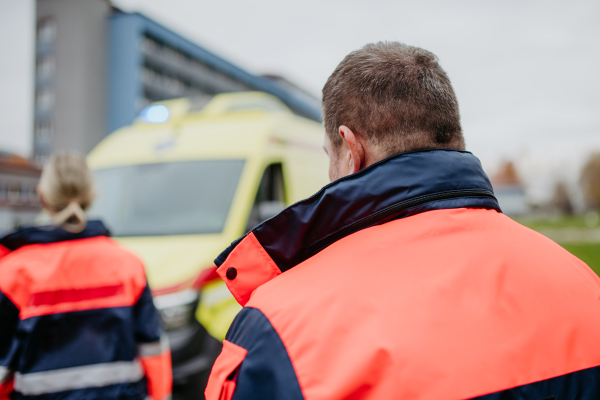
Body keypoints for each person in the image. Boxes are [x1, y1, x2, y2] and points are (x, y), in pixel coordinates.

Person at [205, 42, 600, 400]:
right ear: (451, 138)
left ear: (350, 149)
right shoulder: (583, 284)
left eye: (330, 153)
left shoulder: (277, 330)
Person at [0, 152, 172, 400]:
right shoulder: (128, 266)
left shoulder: (13, 273)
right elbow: (153, 352)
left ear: (42, 196)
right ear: (92, 196)